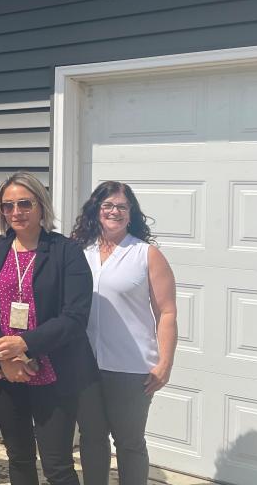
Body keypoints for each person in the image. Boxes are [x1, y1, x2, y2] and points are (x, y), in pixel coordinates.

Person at [0, 172, 97, 485]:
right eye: (7, 206)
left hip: (54, 369)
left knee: (58, 465)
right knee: (20, 458)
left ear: (41, 206)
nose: (15, 212)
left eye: (24, 204)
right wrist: (4, 354)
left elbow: (75, 317)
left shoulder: (66, 251)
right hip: (5, 371)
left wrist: (23, 346)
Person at [71, 181, 177, 485]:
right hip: (85, 363)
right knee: (91, 439)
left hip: (131, 367)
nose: (114, 211)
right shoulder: (79, 251)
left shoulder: (146, 254)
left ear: (131, 213)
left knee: (129, 442)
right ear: (96, 210)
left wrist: (165, 363)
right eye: (107, 205)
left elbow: (167, 312)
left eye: (121, 206)